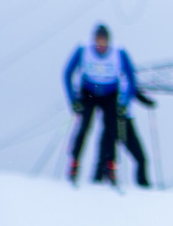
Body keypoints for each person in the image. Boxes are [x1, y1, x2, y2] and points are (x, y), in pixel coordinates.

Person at [61, 25, 151, 185]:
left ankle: (109, 165)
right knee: (84, 126)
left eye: (103, 41)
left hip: (110, 94)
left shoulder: (119, 53)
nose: (100, 45)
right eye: (98, 41)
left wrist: (124, 102)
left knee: (111, 129)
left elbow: (132, 79)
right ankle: (74, 162)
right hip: (88, 92)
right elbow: (67, 72)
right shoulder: (83, 50)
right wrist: (73, 100)